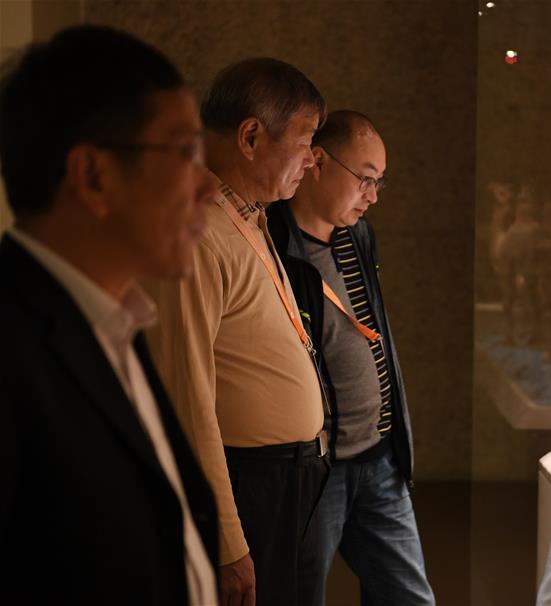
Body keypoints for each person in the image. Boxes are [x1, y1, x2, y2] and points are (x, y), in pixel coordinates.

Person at [0, 25, 218, 604]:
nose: (209, 187)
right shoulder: (11, 346)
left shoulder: (115, 321)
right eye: (186, 152)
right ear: (94, 175)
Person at [143, 58, 329, 606]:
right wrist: (224, 538)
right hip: (250, 483)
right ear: (251, 137)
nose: (312, 159)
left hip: (284, 478)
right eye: (305, 141)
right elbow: (187, 398)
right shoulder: (196, 230)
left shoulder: (244, 213)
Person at [268, 110, 436, 605]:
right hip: (318, 471)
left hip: (380, 458)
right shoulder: (272, 242)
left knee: (410, 598)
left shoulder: (358, 235)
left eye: (379, 181)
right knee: (300, 596)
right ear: (317, 162)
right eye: (365, 178)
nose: (373, 195)